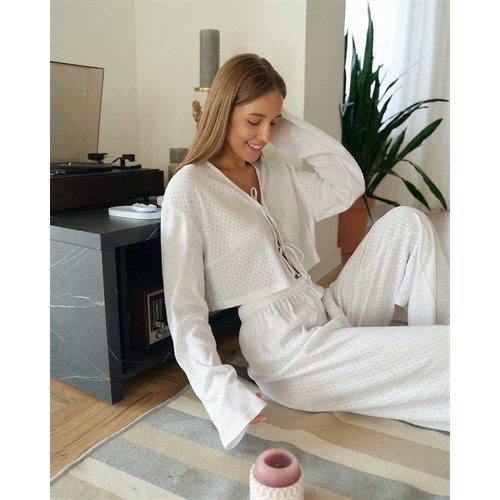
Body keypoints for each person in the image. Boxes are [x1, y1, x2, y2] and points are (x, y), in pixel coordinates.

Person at [160, 53, 449, 450]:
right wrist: (222, 394)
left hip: (323, 308)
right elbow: (184, 310)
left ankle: (430, 339)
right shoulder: (190, 188)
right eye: (254, 120)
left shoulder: (275, 175)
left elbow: (347, 184)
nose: (265, 135)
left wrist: (280, 125)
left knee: (407, 222)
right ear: (222, 111)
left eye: (275, 123)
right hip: (284, 348)